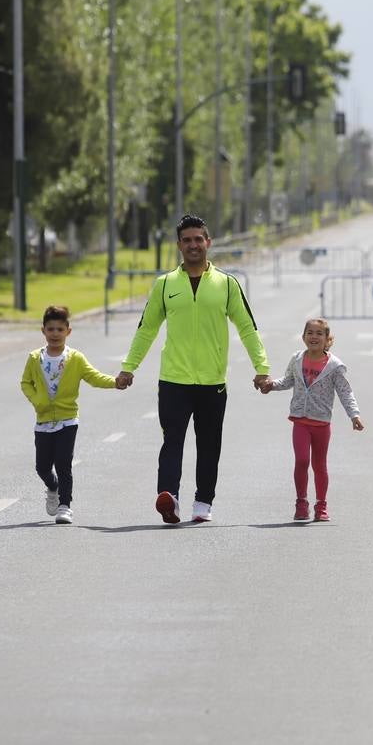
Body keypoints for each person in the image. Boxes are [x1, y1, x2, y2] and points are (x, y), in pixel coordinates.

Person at [116, 215, 270, 525]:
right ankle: (168, 497)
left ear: (208, 243)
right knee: (172, 440)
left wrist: (261, 368)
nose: (193, 245)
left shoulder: (227, 284)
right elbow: (146, 328)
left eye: (198, 239)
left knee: (209, 443)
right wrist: (128, 368)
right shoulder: (165, 284)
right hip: (174, 380)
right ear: (179, 246)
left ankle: (203, 501)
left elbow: (247, 328)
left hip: (212, 381)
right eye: (187, 240)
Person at [19, 305, 119, 524]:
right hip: (43, 421)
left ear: (68, 331)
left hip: (68, 420)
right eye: (51, 329)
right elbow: (26, 383)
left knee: (64, 462)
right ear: (43, 331)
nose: (55, 334)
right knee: (42, 467)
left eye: (60, 329)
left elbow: (94, 377)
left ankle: (65, 506)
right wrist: (37, 400)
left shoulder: (75, 358)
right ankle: (52, 486)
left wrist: (115, 382)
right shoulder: (35, 358)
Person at [261, 318, 364, 521]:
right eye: (310, 333)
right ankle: (301, 502)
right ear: (303, 337)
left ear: (327, 339)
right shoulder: (297, 359)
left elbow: (345, 392)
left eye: (319, 334)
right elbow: (288, 380)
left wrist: (354, 415)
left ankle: (321, 505)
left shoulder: (334, 366)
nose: (314, 337)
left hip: (321, 423)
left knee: (319, 465)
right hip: (301, 420)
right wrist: (271, 385)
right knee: (301, 461)